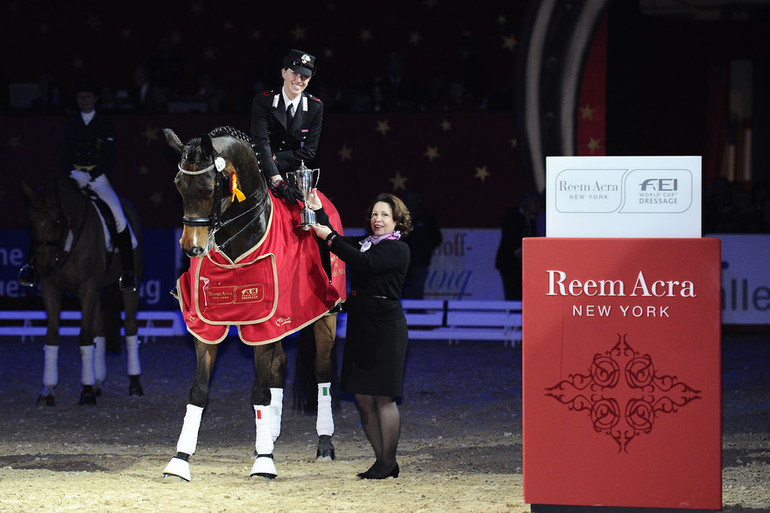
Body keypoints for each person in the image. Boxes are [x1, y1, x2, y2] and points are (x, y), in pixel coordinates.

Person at [306, 191, 412, 480]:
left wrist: (329, 237)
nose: (378, 219)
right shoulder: (366, 243)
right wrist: (318, 212)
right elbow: (339, 240)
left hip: (386, 329)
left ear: (397, 222)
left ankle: (387, 461)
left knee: (384, 398)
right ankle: (383, 461)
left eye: (385, 215)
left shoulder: (397, 249)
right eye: (375, 214)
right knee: (364, 398)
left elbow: (357, 259)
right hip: (361, 326)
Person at [18, 80, 137, 293]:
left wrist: (91, 175)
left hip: (98, 179)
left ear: (95, 99)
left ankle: (128, 272)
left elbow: (109, 157)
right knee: (44, 214)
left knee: (119, 217)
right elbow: (64, 155)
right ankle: (30, 267)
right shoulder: (71, 126)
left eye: (88, 97)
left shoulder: (104, 125)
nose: (84, 101)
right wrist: (73, 173)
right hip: (72, 178)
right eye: (81, 97)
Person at [250, 49, 322, 203]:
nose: (298, 80)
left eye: (304, 76)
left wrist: (276, 158)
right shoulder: (263, 101)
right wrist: (275, 178)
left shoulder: (315, 106)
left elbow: (309, 151)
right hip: (263, 171)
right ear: (283, 72)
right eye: (294, 73)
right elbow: (261, 142)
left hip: (295, 177)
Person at [495, 191, 541, 301]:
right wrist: (519, 251)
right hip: (509, 263)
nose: (537, 206)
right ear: (527, 203)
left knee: (524, 296)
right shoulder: (513, 214)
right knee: (512, 294)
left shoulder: (533, 220)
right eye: (534, 203)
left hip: (524, 265)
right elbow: (510, 236)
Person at [402, 189, 442, 299]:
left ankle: (417, 314)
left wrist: (425, 249)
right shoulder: (399, 217)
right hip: (401, 261)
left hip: (420, 261)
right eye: (408, 200)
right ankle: (399, 315)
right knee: (401, 291)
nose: (411, 203)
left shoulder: (426, 216)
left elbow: (437, 237)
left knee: (417, 291)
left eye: (414, 200)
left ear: (419, 200)